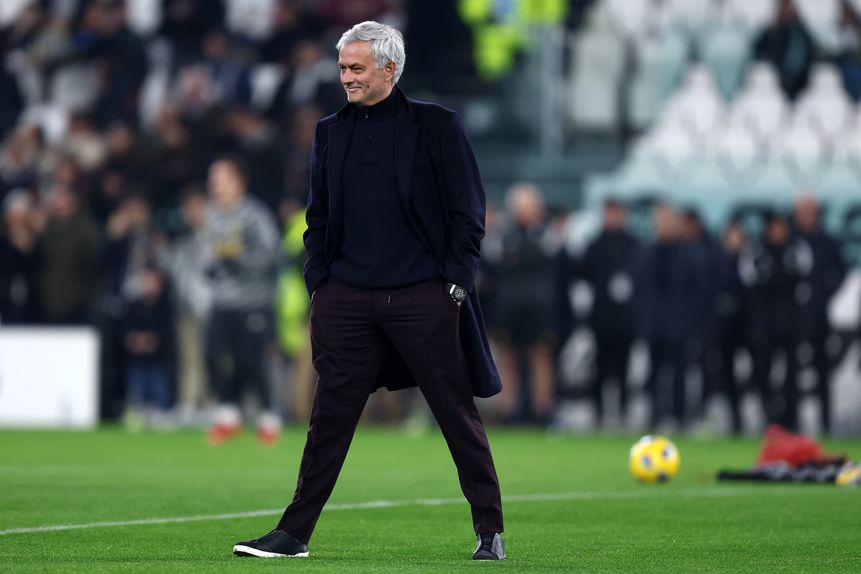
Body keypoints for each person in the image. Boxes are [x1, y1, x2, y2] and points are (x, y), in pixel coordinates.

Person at [232, 21, 505, 561]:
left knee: (455, 414)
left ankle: (489, 530)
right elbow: (318, 217)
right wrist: (320, 286)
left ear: (390, 69)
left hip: (423, 297)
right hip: (347, 300)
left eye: (357, 68)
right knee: (328, 420)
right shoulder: (329, 131)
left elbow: (468, 212)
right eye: (343, 68)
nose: (347, 78)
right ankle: (294, 534)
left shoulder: (438, 125)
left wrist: (453, 287)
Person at [202, 155, 281, 445]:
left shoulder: (255, 214)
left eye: (220, 179)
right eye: (213, 179)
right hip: (221, 299)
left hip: (253, 301)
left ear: (238, 182)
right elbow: (206, 254)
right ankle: (228, 414)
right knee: (214, 356)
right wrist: (211, 263)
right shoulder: (212, 214)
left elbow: (272, 254)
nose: (214, 185)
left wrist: (240, 258)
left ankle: (269, 417)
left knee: (252, 361)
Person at [489, 182, 557, 426]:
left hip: (539, 309)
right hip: (508, 309)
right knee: (507, 358)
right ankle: (507, 412)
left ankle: (542, 413)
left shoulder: (547, 236)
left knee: (540, 356)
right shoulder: (503, 237)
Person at [579, 199, 641, 427]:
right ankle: (599, 411)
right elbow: (583, 274)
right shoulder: (595, 244)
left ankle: (623, 410)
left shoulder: (633, 244)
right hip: (602, 317)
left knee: (624, 367)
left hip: (626, 318)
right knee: (600, 367)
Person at [791, 194, 847, 434]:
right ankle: (790, 423)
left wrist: (824, 293)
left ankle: (825, 423)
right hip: (791, 317)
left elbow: (840, 272)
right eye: (802, 211)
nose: (806, 216)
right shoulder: (790, 241)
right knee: (791, 373)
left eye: (810, 211)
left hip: (819, 316)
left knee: (822, 372)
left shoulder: (828, 242)